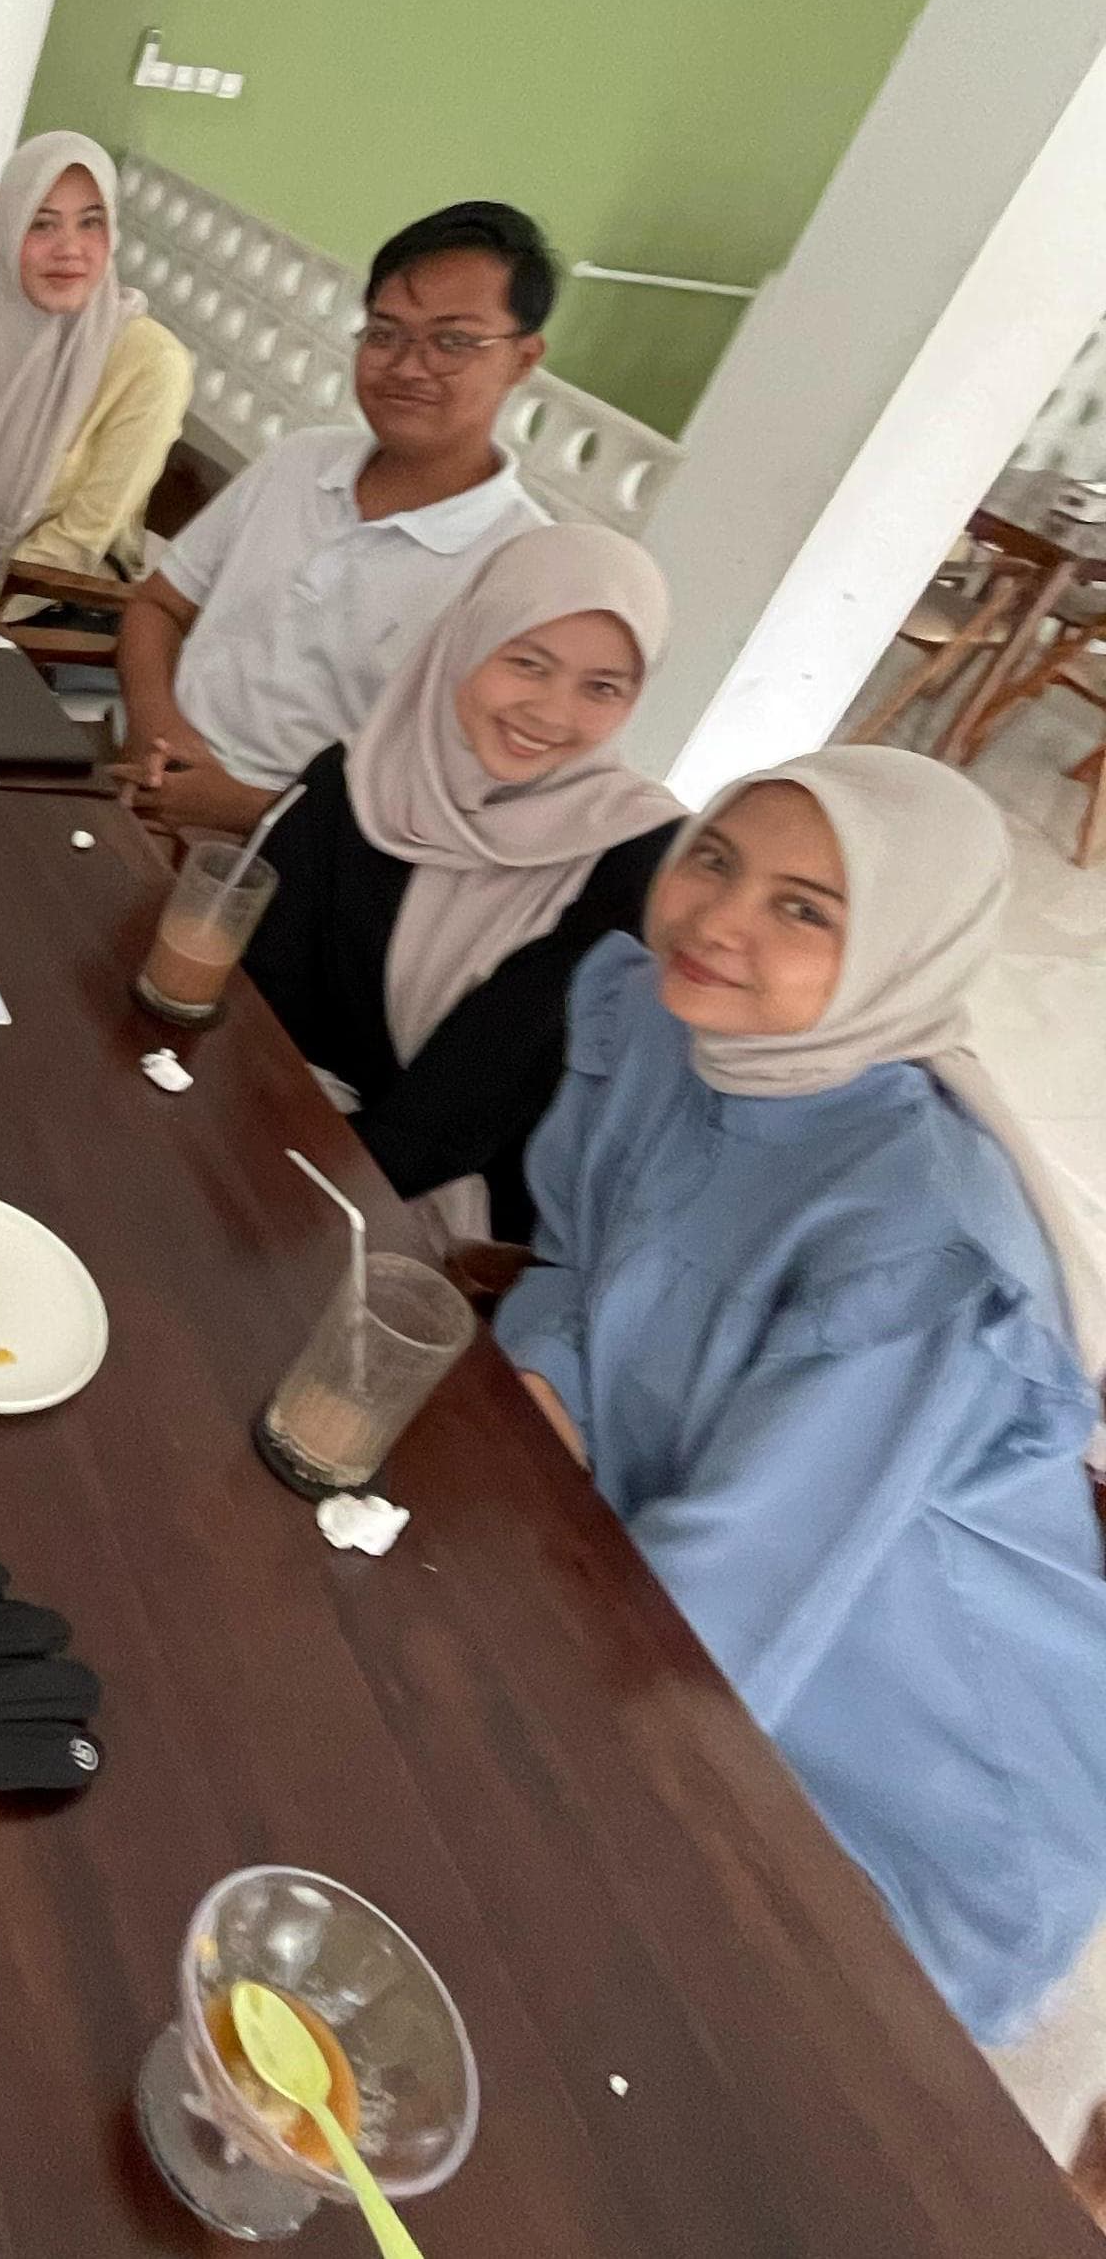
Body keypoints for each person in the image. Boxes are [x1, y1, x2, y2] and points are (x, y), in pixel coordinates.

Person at [497, 747, 1106, 2046]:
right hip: (630, 1588)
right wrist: (545, 1380)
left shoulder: (920, 1240)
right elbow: (574, 1256)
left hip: (901, 1774)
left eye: (804, 909)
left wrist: (514, 1723)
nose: (719, 919)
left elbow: (737, 1599)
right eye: (716, 857)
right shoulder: (674, 1026)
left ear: (901, 951)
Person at [242, 523, 682, 1244]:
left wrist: (270, 1200)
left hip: (457, 1226)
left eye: (601, 687)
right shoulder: (355, 781)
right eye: (528, 663)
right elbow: (260, 1000)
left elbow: (464, 1113)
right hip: (277, 1132)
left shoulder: (638, 856)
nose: (551, 713)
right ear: (467, 640)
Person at [115, 201, 558, 837]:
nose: (407, 366)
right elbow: (158, 606)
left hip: (302, 861)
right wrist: (157, 729)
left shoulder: (524, 567)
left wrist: (248, 810)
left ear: (523, 358)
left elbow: (455, 805)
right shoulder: (301, 461)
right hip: (146, 781)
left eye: (452, 342)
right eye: (384, 333)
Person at [0, 132, 191, 583]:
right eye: (41, 224)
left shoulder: (151, 363)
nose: (69, 248)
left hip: (52, 604)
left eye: (90, 222)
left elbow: (77, 544)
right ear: (4, 232)